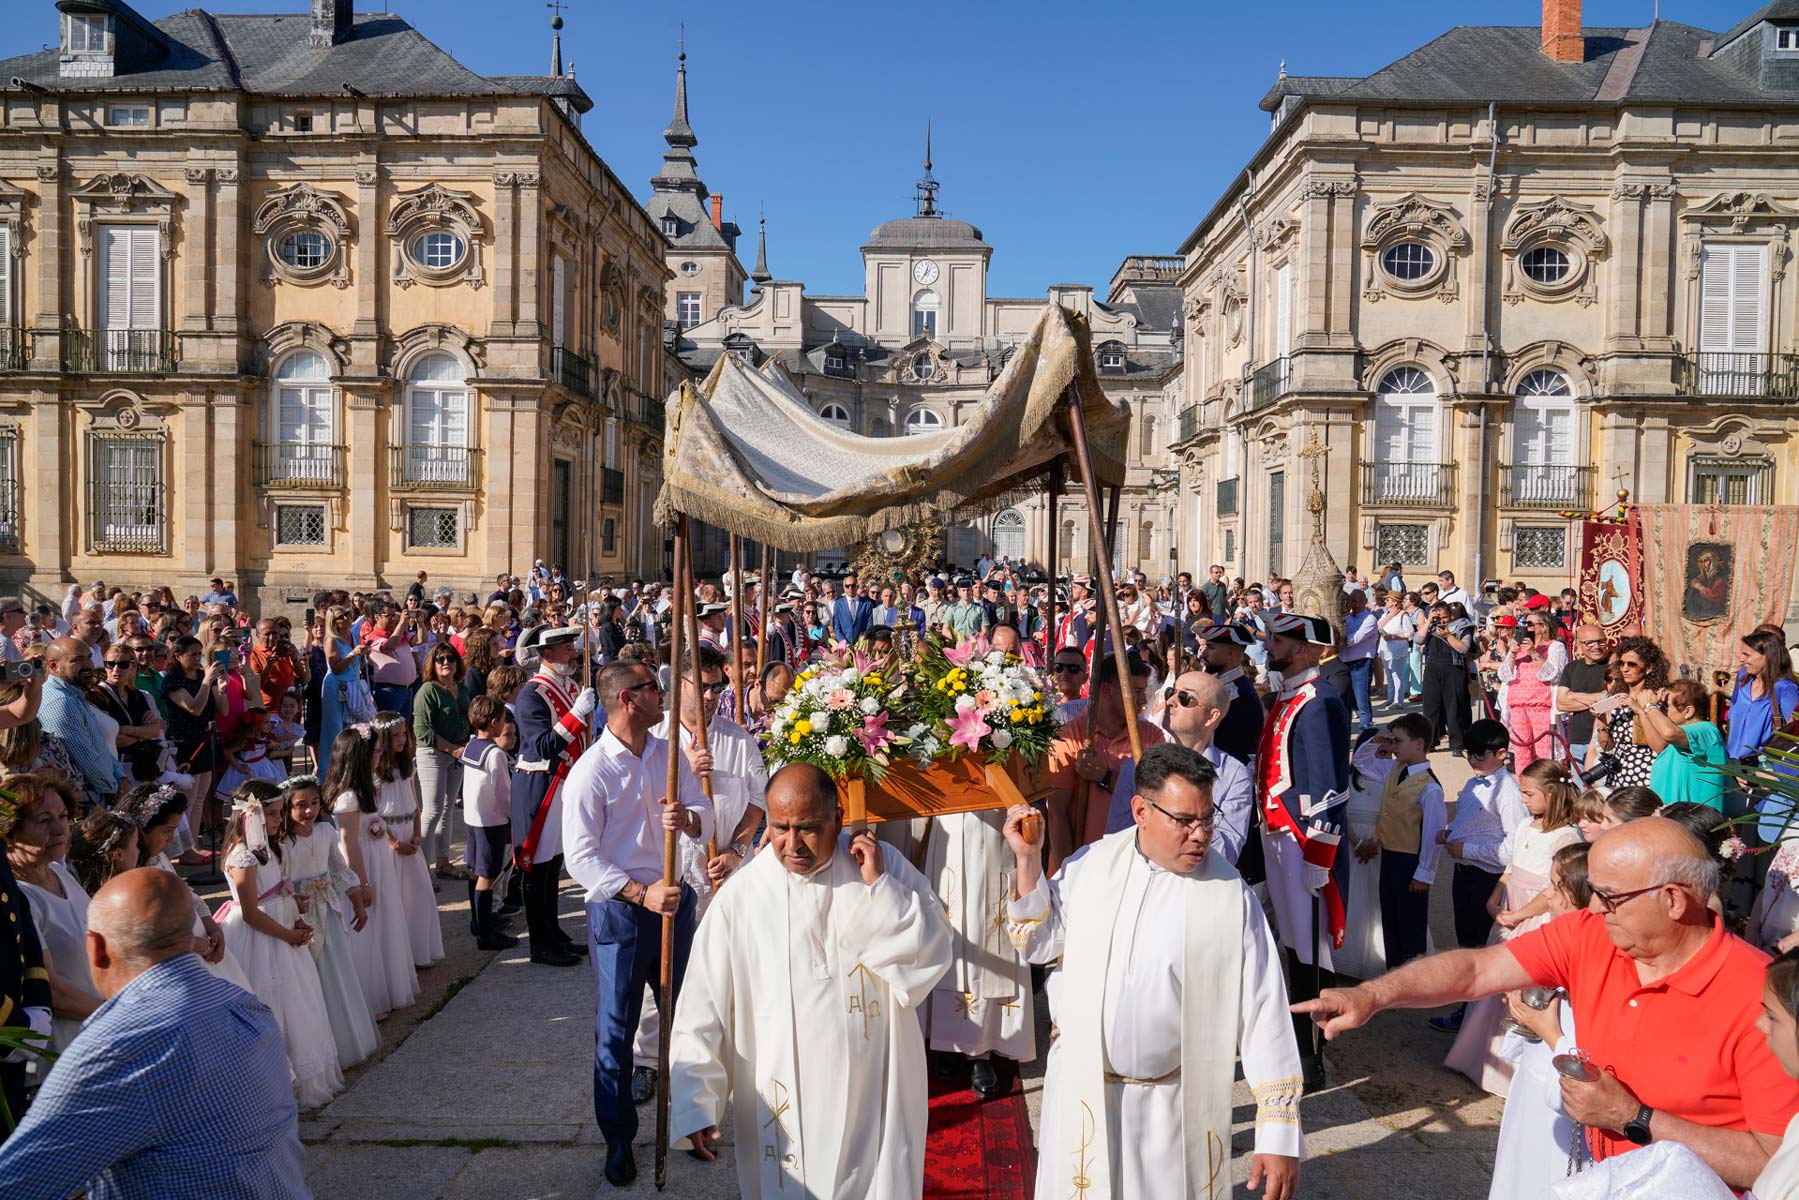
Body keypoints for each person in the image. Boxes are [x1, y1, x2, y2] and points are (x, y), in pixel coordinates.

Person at [1300, 820, 1799, 1190]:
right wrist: (1372, 995)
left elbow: (1774, 1163)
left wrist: (1636, 1117)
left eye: (1608, 895)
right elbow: (1476, 970)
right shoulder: (1593, 933)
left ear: (1672, 899)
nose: (1593, 907)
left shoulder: (1761, 998)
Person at [1004, 744, 1302, 1200]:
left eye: (1208, 818)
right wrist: (1028, 860)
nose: (1201, 834)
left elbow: (1263, 1009)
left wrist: (1278, 1131)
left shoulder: (1228, 895)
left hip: (1171, 1109)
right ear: (1141, 810)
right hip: (1082, 1094)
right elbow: (1038, 944)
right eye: (1185, 820)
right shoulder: (1091, 867)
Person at [670, 762, 951, 1198]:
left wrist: (879, 890)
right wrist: (695, 1102)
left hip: (873, 1086)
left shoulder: (880, 866)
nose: (792, 843)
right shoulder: (743, 898)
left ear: (838, 818)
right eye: (780, 827)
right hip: (783, 1096)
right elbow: (702, 1004)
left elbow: (935, 948)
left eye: (808, 828)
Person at [0, 867, 312, 1199]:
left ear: (97, 949)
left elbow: (18, 1183)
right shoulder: (246, 1007)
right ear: (187, 937)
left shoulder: (119, 1046)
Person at [561, 659, 714, 1187]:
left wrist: (689, 819)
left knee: (689, 1019)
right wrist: (638, 892)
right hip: (623, 914)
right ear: (628, 698)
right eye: (654, 688)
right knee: (617, 1031)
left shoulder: (666, 755)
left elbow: (704, 813)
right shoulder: (591, 772)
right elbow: (579, 857)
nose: (663, 695)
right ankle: (618, 1138)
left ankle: (692, 1121)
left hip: (674, 905)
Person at [633, 645, 769, 1104]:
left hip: (724, 876)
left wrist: (736, 849)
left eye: (717, 687)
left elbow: (757, 801)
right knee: (663, 972)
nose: (712, 696)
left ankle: (719, 1058)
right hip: (670, 875)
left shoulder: (737, 738)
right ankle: (648, 1060)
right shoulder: (652, 739)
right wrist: (684, 774)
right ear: (680, 686)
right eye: (703, 687)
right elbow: (637, 807)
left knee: (725, 970)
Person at [1446, 758, 1583, 1095]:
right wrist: (1495, 900)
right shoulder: (1525, 827)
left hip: (1535, 917)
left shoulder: (1566, 838)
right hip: (1510, 910)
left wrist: (1521, 916)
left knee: (1520, 986)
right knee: (1494, 984)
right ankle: (1479, 1057)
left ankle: (1510, 1070)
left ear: (1551, 795)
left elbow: (1553, 890)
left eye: (1528, 793)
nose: (1523, 799)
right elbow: (1509, 869)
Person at [1255, 612, 1351, 1091]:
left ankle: (1313, 1053)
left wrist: (1319, 854)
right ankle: (1297, 1037)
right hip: (1278, 834)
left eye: (1278, 640)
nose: (1269, 646)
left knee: (1309, 949)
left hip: (1301, 840)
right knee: (1293, 943)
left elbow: (1330, 787)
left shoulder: (1319, 702)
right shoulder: (1289, 695)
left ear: (1304, 649)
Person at [215, 780, 344, 1107]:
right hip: (262, 940)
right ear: (249, 817)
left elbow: (274, 893)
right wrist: (288, 935)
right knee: (275, 1004)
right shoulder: (242, 856)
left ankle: (306, 1076)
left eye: (277, 813)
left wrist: (294, 911)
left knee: (300, 1003)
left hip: (284, 932)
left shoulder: (268, 849)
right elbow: (251, 912)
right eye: (271, 815)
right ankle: (276, 1082)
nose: (277, 820)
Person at [1488, 842, 1589, 1200]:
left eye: (1557, 887)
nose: (1548, 895)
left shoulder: (1593, 955)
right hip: (1534, 1078)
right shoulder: (1553, 939)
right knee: (1520, 1166)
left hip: (1564, 1094)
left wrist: (1546, 1028)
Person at [1429, 718, 1527, 1034]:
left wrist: (1466, 849)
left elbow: (1514, 846)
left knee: (1485, 949)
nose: (1472, 760)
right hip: (1465, 873)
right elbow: (1469, 821)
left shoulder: (1509, 792)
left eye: (1479, 755)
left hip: (1489, 879)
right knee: (1468, 942)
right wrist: (1450, 832)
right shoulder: (1473, 784)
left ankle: (1481, 1015)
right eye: (1468, 754)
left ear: (1501, 754)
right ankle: (1470, 1008)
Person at [277, 774, 378, 1072]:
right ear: (287, 808)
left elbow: (339, 869)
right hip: (302, 917)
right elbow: (282, 883)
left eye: (314, 803)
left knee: (337, 971)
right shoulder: (283, 843)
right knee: (313, 977)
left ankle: (348, 1038)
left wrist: (357, 902)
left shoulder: (325, 831)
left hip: (330, 911)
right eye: (300, 805)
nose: (309, 811)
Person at [510, 625, 598, 967]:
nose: (573, 654)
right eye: (565, 650)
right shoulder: (532, 694)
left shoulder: (569, 686)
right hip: (540, 786)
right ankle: (540, 942)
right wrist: (576, 715)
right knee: (538, 867)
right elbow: (541, 746)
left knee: (554, 866)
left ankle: (553, 932)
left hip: (565, 785)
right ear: (547, 655)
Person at [1104, 670, 1252, 865]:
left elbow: (1226, 853)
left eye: (1185, 697)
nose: (1170, 701)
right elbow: (1117, 837)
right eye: (1170, 692)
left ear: (1211, 716)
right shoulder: (1137, 765)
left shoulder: (1234, 775)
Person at [325, 724, 418, 1019]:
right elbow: (348, 843)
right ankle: (368, 996)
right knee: (367, 927)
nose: (381, 755)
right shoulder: (348, 798)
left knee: (385, 922)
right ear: (359, 756)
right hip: (363, 866)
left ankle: (387, 987)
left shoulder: (365, 791)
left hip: (377, 860)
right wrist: (361, 883)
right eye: (376, 751)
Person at [9, 773, 100, 1052]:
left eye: (62, 816)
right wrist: (121, 1013)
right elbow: (53, 995)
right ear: (9, 830)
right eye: (44, 820)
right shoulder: (19, 897)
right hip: (62, 1049)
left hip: (96, 1029)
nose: (61, 829)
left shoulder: (60, 872)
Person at [1045, 654, 1165, 866]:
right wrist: (1067, 871)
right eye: (1136, 691)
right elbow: (1057, 814)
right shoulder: (1070, 736)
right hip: (1083, 862)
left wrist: (1106, 777)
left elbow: (1156, 799)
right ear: (1108, 691)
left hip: (1133, 863)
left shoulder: (1151, 736)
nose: (1143, 700)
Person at [1358, 713, 1445, 970]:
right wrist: (1381, 736)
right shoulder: (1394, 769)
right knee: (1391, 918)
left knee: (1411, 922)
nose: (1392, 747)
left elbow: (1433, 835)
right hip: (1391, 856)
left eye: (1398, 742)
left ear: (1419, 743)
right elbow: (1362, 759)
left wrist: (1424, 874)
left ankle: (1414, 979)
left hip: (1411, 861)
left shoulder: (1430, 787)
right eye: (1391, 742)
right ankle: (1394, 972)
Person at [371, 711, 443, 971]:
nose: (401, 739)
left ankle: (419, 949)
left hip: (409, 837)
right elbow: (375, 812)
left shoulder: (407, 766)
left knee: (419, 895)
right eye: (395, 735)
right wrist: (392, 843)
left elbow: (414, 802)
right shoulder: (375, 772)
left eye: (404, 733)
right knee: (396, 899)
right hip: (389, 839)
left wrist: (417, 831)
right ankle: (399, 959)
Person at [460, 696, 520, 951]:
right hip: (491, 822)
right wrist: (512, 817)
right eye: (504, 720)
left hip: (473, 819)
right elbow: (503, 793)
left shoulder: (471, 745)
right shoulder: (494, 753)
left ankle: (478, 921)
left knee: (476, 872)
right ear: (495, 723)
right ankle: (486, 934)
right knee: (488, 876)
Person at [413, 642, 471, 880]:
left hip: (458, 754)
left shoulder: (461, 688)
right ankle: (422, 872)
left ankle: (443, 863)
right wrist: (453, 748)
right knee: (432, 811)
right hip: (432, 754)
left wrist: (465, 746)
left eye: (450, 658)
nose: (446, 662)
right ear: (432, 664)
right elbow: (422, 730)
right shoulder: (427, 690)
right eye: (440, 659)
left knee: (447, 810)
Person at [1638, 677, 1729, 812]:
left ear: (1688, 711)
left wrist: (1650, 707)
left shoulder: (1707, 730)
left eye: (1666, 706)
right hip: (1670, 818)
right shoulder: (1680, 738)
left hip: (1694, 824)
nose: (1663, 711)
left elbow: (1669, 733)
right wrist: (1642, 711)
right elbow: (1659, 747)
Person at [1499, 613, 1567, 771]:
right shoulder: (1519, 648)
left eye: (1530, 623)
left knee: (1546, 754)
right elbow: (1503, 675)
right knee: (1522, 754)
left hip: (1542, 706)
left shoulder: (1555, 646)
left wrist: (1534, 653)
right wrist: (1512, 654)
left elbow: (1555, 675)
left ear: (1543, 627)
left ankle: (1548, 789)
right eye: (1524, 623)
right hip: (1517, 706)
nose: (1525, 627)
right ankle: (1524, 789)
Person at [1198, 622, 1265, 764]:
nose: (1203, 653)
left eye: (1210, 647)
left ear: (1230, 653)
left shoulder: (1240, 696)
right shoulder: (1222, 687)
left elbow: (1238, 755)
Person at [1417, 601, 1473, 754]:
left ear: (1451, 615)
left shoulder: (1462, 626)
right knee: (1430, 707)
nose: (1441, 621)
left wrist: (1448, 635)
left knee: (1454, 707)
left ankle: (1457, 744)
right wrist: (1429, 621)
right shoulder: (1431, 626)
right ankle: (1430, 741)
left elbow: (1464, 648)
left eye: (1444, 617)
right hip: (1433, 668)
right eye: (1438, 617)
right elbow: (1418, 640)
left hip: (1453, 669)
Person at [1340, 589, 1379, 732]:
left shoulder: (1370, 619)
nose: (1356, 604)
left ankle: (1365, 731)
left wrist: (1337, 639)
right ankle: (1346, 731)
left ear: (1365, 602)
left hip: (1360, 663)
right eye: (1353, 601)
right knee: (1346, 700)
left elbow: (1354, 639)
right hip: (1345, 662)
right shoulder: (1347, 619)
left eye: (1359, 601)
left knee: (1361, 699)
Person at [832, 572, 874, 645]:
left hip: (862, 645)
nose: (850, 588)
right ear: (844, 587)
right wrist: (845, 644)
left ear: (857, 586)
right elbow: (837, 627)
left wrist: (861, 642)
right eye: (847, 586)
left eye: (853, 585)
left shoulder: (867, 604)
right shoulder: (838, 604)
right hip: (844, 647)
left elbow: (869, 626)